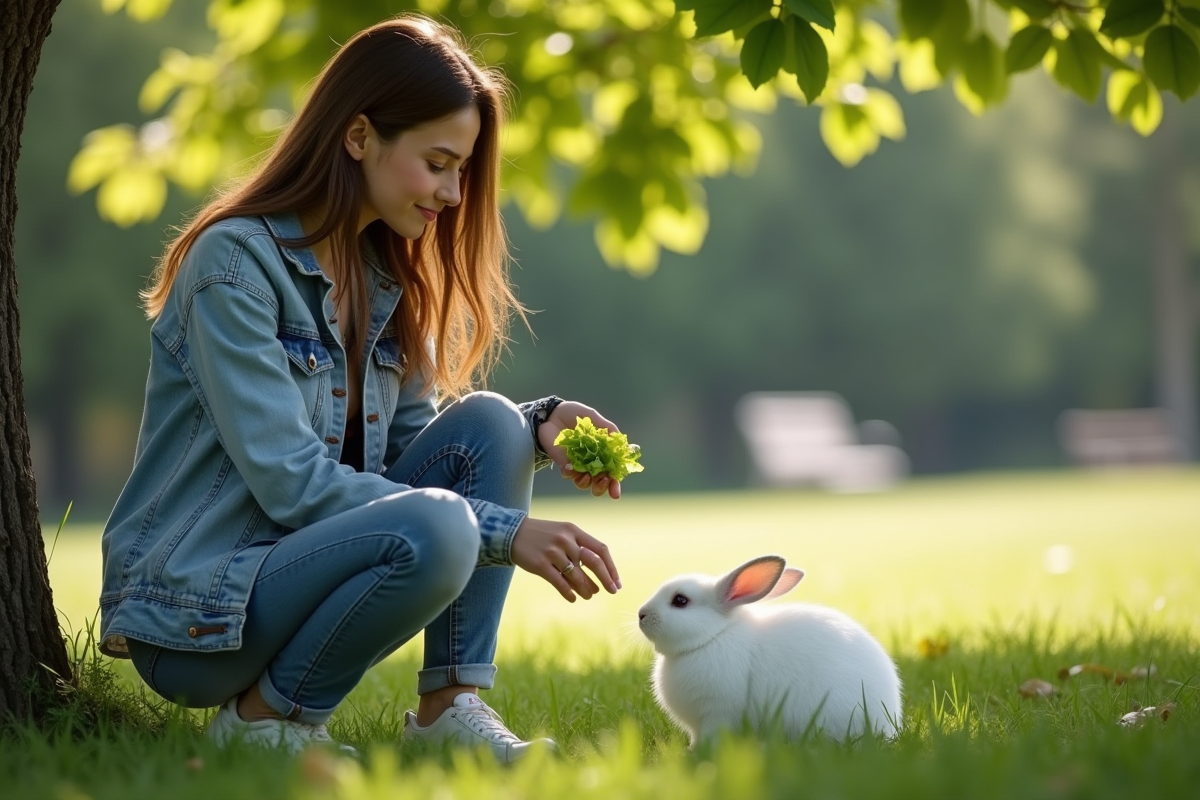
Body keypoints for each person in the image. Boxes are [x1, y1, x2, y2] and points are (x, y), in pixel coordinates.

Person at [98, 14, 625, 761]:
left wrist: (538, 425)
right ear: (358, 137)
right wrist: (506, 533)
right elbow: (292, 484)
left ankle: (449, 707)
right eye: (437, 162)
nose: (451, 192)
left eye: (462, 170)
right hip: (202, 615)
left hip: (309, 578)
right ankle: (263, 722)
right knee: (447, 523)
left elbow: (420, 457)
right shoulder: (233, 265)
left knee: (494, 424)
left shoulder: (388, 279)